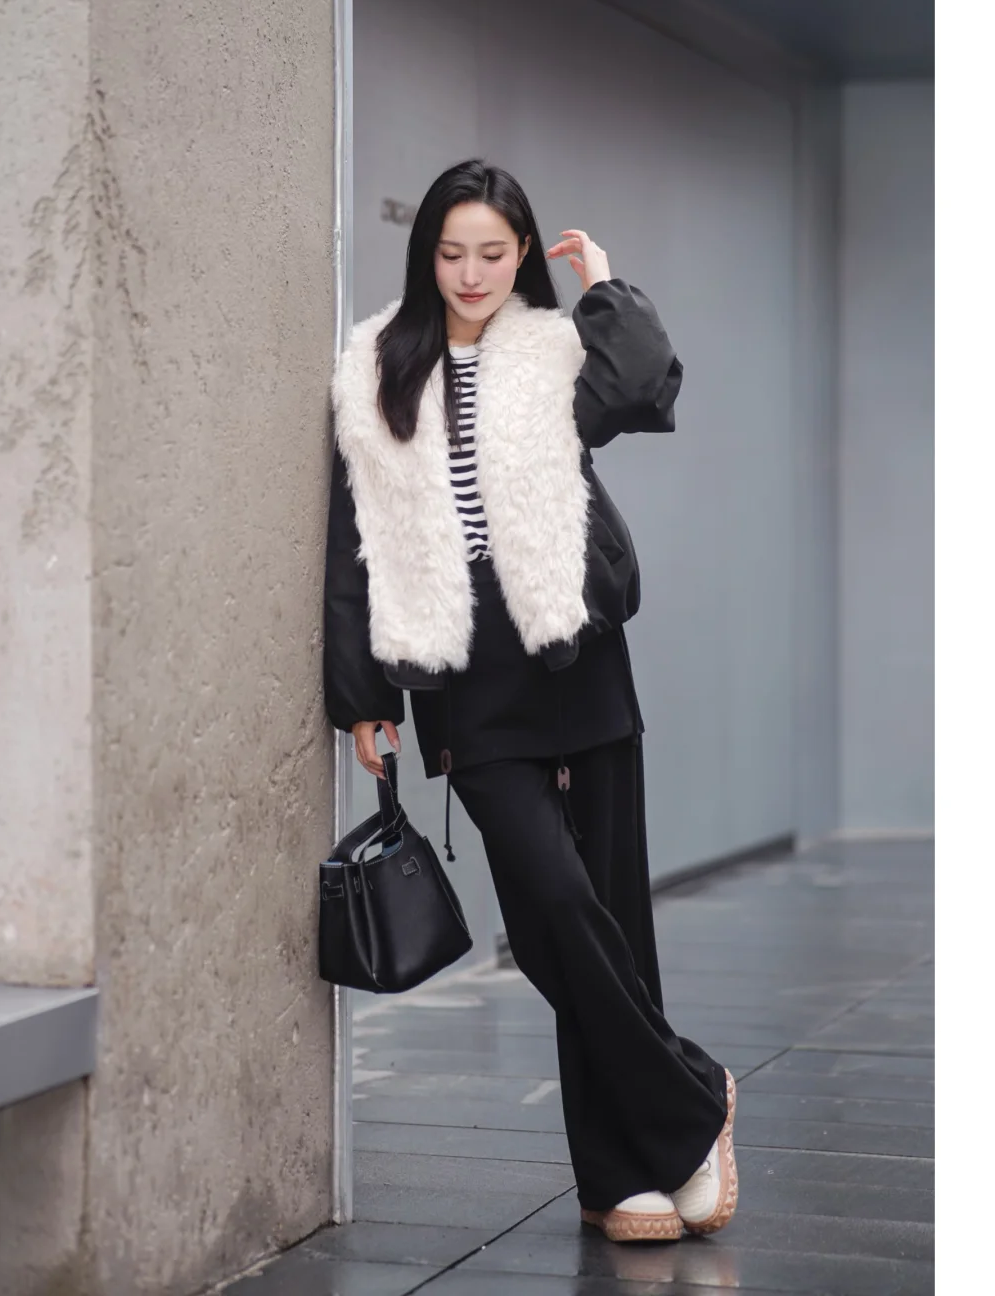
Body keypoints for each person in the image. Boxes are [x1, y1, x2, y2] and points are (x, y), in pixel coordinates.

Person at [322, 159, 738, 1243]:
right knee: (553, 918)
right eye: (452, 253)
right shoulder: (374, 367)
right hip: (469, 684)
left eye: (493, 253)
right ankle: (692, 1098)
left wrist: (606, 288)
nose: (472, 274)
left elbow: (644, 388)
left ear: (520, 256)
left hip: (577, 660)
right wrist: (364, 694)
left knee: (613, 921)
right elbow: (353, 542)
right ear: (428, 256)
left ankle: (620, 1178)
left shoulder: (554, 351)